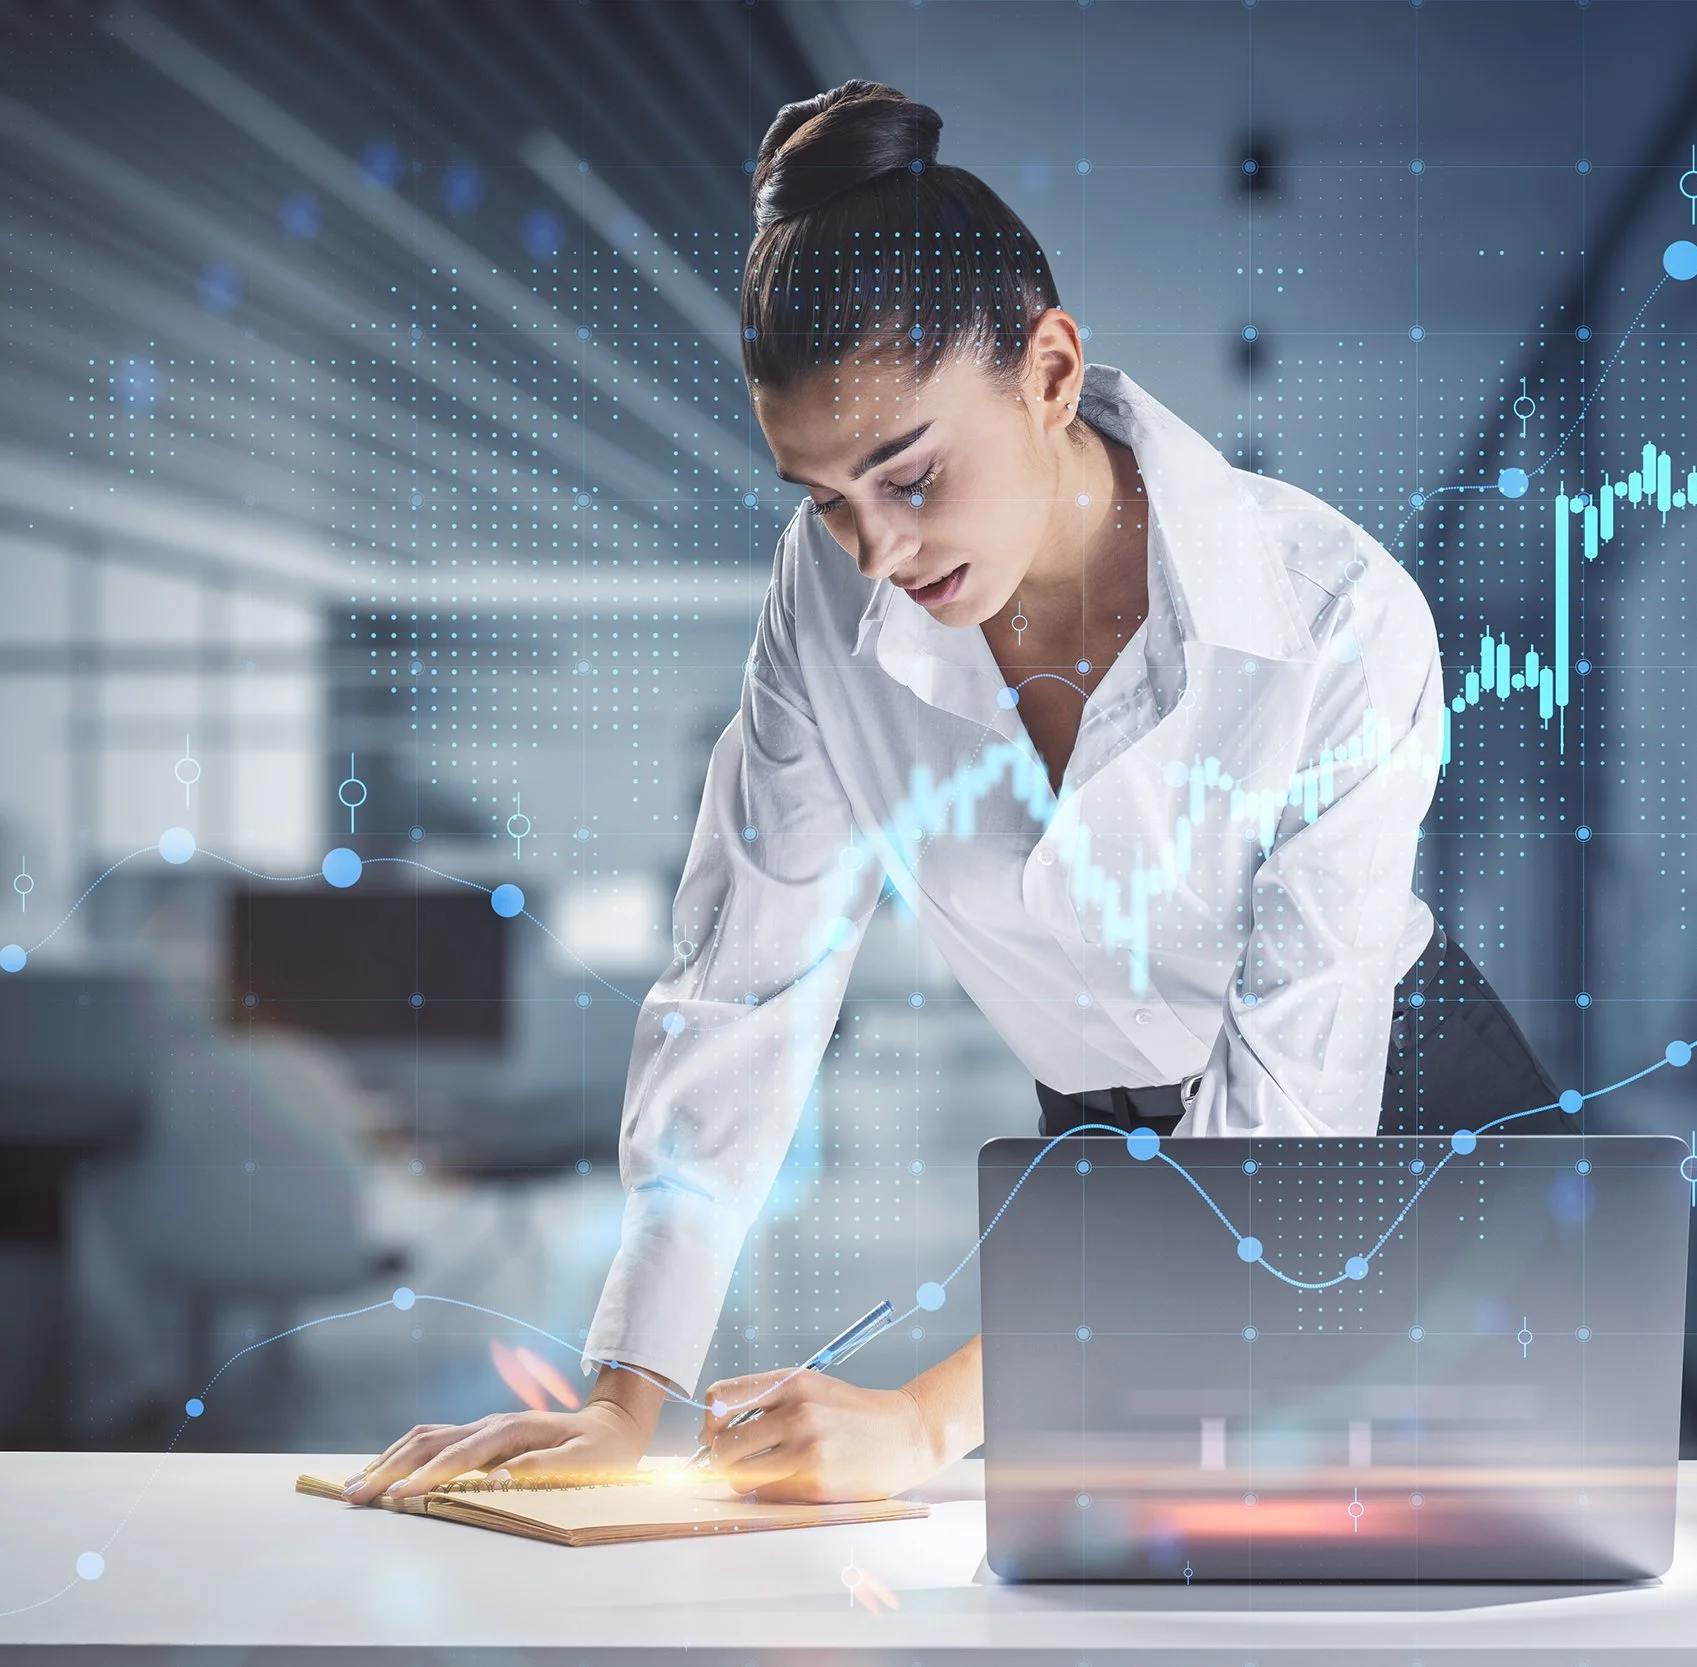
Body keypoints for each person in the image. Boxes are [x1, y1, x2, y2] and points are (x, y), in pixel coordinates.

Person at [345, 80, 1560, 1509]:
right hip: (1113, 1152)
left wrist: (926, 1424)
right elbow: (745, 981)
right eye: (825, 496)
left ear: (1050, 371)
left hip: (1402, 1132)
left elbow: (1281, 1134)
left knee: (1482, 1560)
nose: (874, 550)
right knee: (1140, 1577)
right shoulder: (829, 598)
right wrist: (628, 1396)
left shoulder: (1340, 622)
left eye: (909, 474)